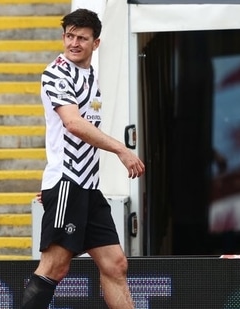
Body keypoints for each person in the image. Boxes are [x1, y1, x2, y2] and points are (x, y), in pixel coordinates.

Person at [21, 8, 145, 309]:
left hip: (87, 188)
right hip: (68, 183)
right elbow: (73, 124)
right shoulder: (56, 73)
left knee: (116, 264)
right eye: (70, 36)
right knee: (55, 268)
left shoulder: (90, 75)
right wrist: (121, 149)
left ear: (96, 43)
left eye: (82, 38)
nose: (74, 43)